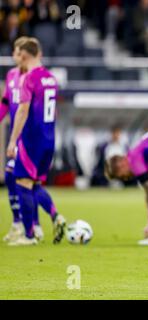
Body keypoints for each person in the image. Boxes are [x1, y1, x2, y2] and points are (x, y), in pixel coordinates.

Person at [5, 37, 66, 246]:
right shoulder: (51, 78)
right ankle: (54, 216)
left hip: (31, 139)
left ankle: (29, 235)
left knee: (22, 182)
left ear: (23, 54)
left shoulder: (28, 78)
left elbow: (23, 109)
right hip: (48, 138)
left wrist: (13, 141)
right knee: (34, 183)